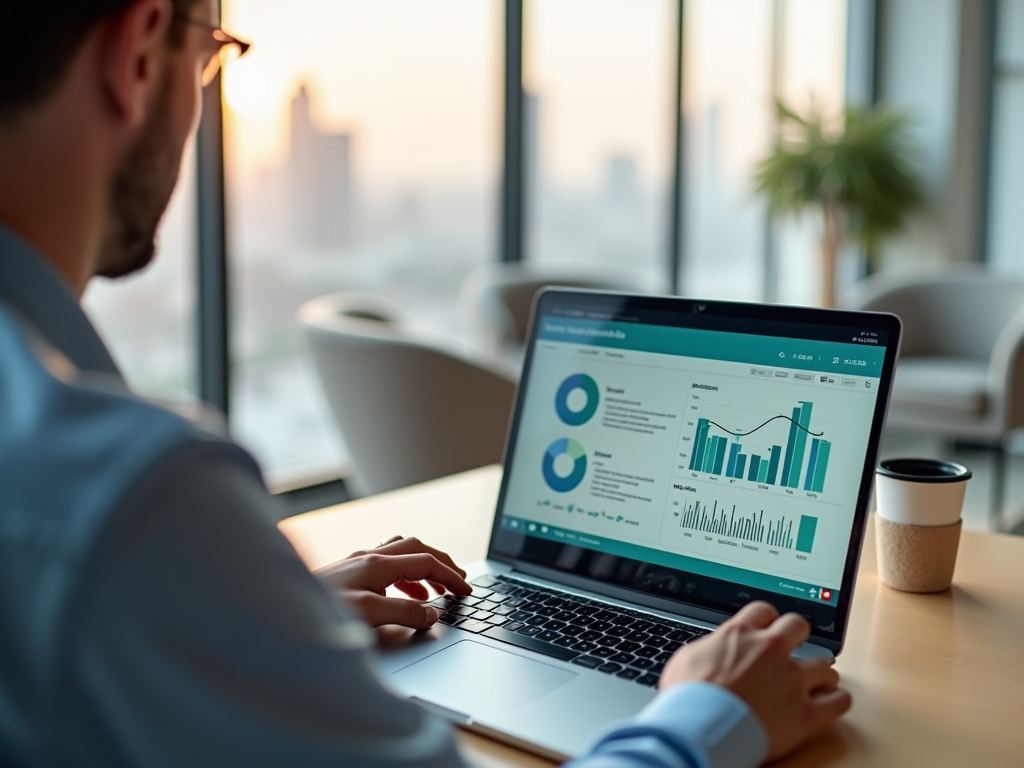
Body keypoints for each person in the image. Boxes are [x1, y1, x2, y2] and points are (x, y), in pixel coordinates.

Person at [0, 1, 852, 766]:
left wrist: (257, 620)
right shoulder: (134, 497)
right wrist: (703, 716)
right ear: (140, 51)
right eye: (210, 52)